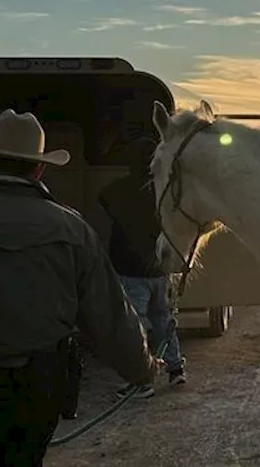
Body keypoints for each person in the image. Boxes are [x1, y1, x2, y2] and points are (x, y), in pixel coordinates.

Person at [0, 109, 162, 466]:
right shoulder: (71, 228)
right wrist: (142, 368)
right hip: (33, 384)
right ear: (38, 168)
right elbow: (108, 317)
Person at [99, 137, 187, 398]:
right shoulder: (163, 190)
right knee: (163, 320)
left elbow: (101, 198)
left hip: (129, 269)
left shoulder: (117, 190)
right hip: (160, 269)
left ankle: (142, 380)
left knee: (136, 326)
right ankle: (175, 369)